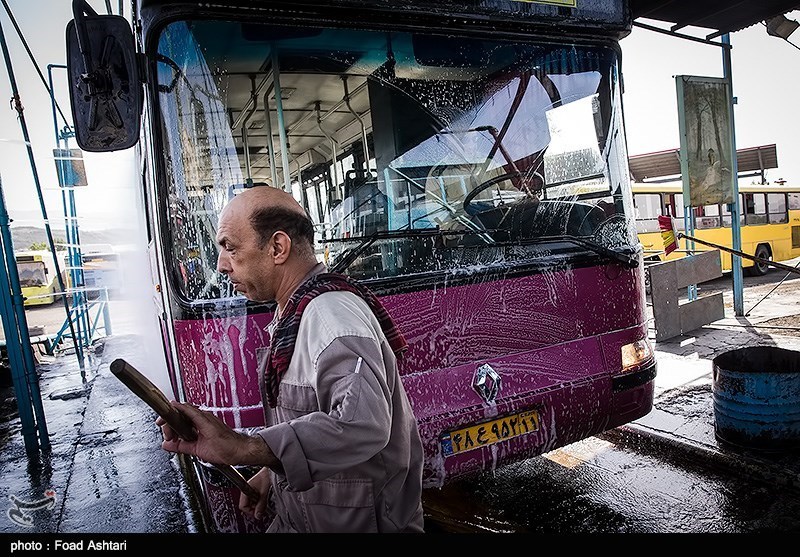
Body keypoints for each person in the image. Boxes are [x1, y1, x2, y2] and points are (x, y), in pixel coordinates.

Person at [156, 185, 425, 533]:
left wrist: (246, 447)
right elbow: (311, 419)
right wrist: (272, 470)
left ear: (278, 247)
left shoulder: (330, 317)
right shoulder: (294, 312)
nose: (222, 266)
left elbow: (363, 425)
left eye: (230, 248)